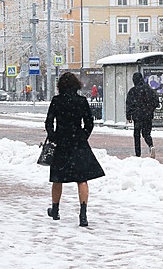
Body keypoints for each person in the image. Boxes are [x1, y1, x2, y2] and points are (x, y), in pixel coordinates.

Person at [44, 72, 105, 227]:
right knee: (81, 179)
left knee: (57, 178)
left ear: (60, 86)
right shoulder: (82, 101)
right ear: (76, 85)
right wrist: (82, 136)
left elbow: (49, 122)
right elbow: (89, 123)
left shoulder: (57, 101)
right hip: (78, 143)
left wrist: (53, 136)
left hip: (61, 143)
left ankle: (55, 210)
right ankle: (83, 213)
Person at [125, 72, 157, 158]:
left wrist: (129, 115)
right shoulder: (149, 90)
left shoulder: (133, 91)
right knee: (146, 133)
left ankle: (138, 153)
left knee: (137, 134)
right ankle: (151, 146)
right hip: (148, 115)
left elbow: (129, 104)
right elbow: (156, 101)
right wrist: (150, 109)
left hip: (137, 116)